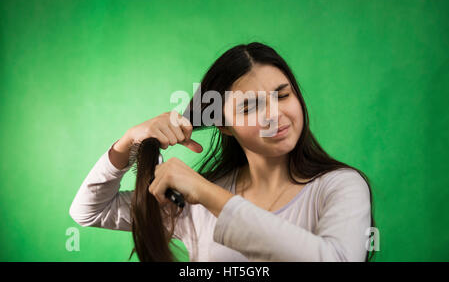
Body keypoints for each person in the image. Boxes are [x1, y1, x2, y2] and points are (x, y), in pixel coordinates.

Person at [69, 42, 375, 262]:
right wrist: (130, 141)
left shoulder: (340, 186)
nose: (275, 115)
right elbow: (90, 210)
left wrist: (206, 193)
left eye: (282, 95)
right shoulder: (191, 202)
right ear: (224, 125)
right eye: (250, 106)